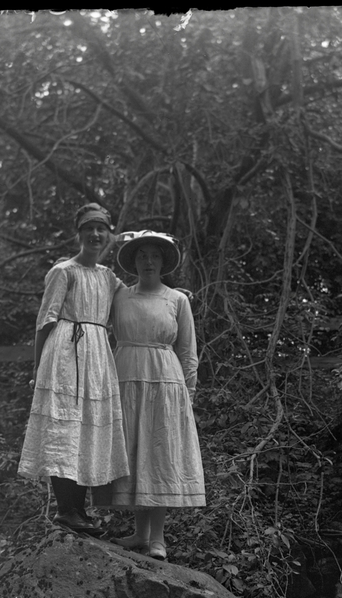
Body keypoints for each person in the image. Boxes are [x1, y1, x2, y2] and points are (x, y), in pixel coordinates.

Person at [18, 203, 129, 535]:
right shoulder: (63, 271)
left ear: (108, 235)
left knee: (84, 430)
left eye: (101, 229)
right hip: (65, 353)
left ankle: (78, 511)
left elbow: (135, 300)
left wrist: (171, 294)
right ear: (79, 234)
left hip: (96, 358)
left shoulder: (109, 278)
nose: (95, 234)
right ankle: (67, 510)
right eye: (88, 229)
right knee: (64, 429)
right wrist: (39, 369)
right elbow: (45, 321)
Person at [95, 231, 206, 560]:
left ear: (163, 262)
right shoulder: (120, 296)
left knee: (158, 455)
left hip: (165, 383)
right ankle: (140, 534)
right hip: (126, 379)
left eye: (154, 255)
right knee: (134, 453)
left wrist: (188, 392)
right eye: (142, 255)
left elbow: (188, 352)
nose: (148, 261)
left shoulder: (177, 300)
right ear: (133, 262)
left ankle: (158, 539)